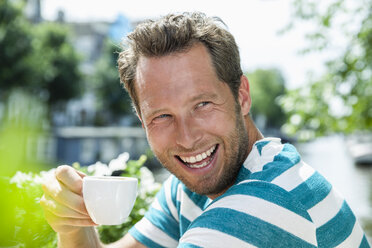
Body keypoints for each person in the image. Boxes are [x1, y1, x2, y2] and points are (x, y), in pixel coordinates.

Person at [40, 12, 370, 247]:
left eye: (202, 105)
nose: (187, 138)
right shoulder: (191, 189)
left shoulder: (265, 203)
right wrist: (71, 226)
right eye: (162, 116)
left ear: (241, 96)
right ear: (142, 121)